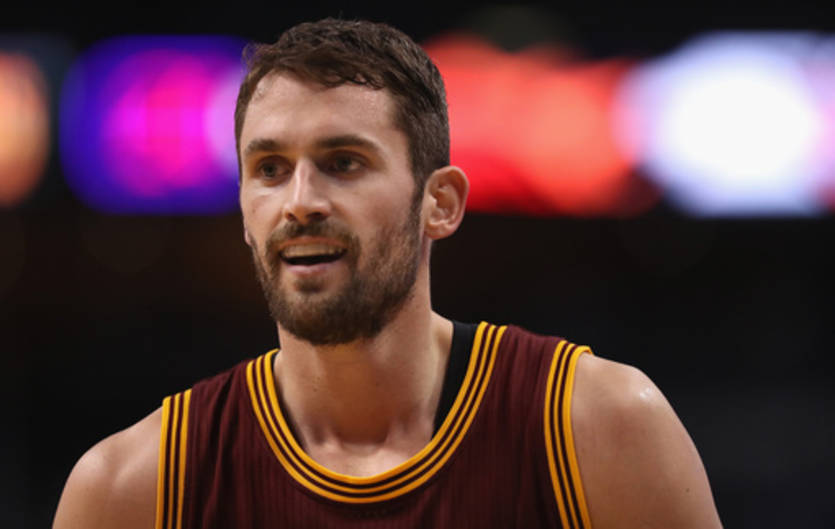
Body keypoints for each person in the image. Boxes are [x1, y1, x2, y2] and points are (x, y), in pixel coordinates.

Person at [53, 18, 723, 529]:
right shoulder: (133, 487)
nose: (299, 201)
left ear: (441, 203)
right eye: (269, 169)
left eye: (343, 162)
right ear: (244, 211)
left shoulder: (598, 428)